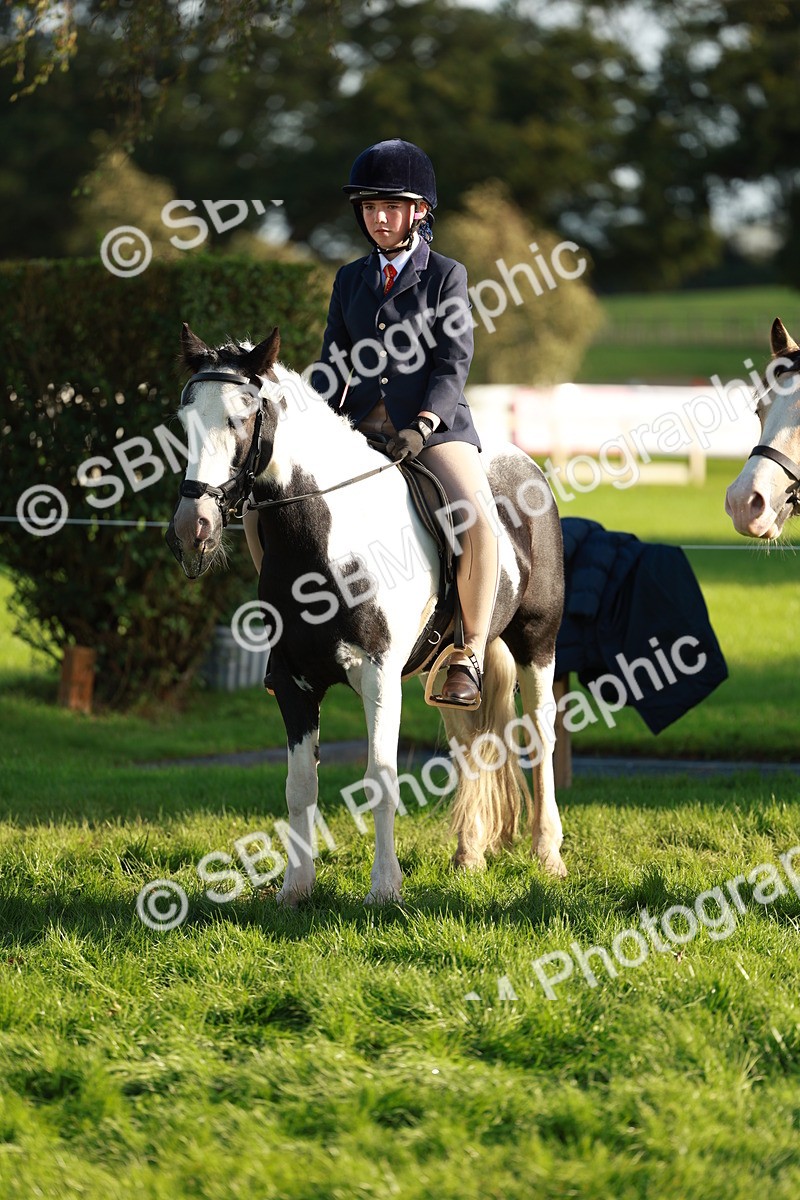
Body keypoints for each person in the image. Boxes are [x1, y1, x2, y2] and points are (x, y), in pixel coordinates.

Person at [307, 138, 500, 708]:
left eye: (390, 207)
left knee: (477, 519)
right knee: (288, 504)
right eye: (368, 208)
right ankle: (294, 640)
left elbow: (453, 361)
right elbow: (332, 362)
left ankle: (468, 653)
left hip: (435, 427)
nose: (377, 218)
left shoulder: (447, 275)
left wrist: (424, 420)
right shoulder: (349, 279)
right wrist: (314, 420)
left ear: (420, 211)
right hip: (362, 429)